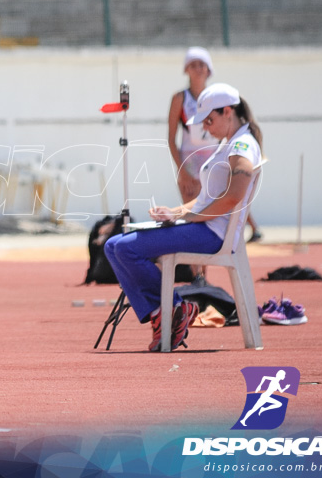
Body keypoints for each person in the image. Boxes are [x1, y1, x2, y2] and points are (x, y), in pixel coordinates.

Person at [105, 83, 264, 352]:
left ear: (228, 112)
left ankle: (174, 308)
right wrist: (175, 212)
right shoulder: (228, 144)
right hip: (202, 227)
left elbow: (233, 198)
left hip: (212, 235)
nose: (206, 128)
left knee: (122, 247)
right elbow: (207, 198)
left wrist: (190, 216)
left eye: (209, 120)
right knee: (112, 246)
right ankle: (167, 312)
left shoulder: (241, 145)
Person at [167, 47, 262, 248]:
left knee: (222, 201)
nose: (198, 69)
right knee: (194, 212)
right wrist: (182, 171)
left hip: (214, 156)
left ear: (209, 70)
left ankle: (251, 227)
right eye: (193, 65)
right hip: (190, 162)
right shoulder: (180, 98)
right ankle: (199, 275)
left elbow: (233, 196)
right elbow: (170, 138)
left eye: (202, 64)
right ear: (186, 70)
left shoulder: (220, 97)